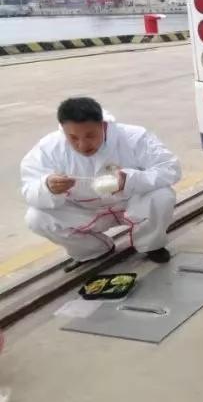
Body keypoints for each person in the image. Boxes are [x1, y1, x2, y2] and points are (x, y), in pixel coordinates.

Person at [21, 97, 181, 271]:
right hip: (84, 211)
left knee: (162, 196)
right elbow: (29, 189)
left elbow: (170, 168)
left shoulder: (133, 137)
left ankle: (150, 244)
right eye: (73, 137)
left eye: (90, 135)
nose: (82, 145)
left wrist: (131, 180)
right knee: (36, 218)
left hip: (130, 203)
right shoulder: (48, 148)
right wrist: (47, 187)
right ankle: (94, 250)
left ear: (102, 125)